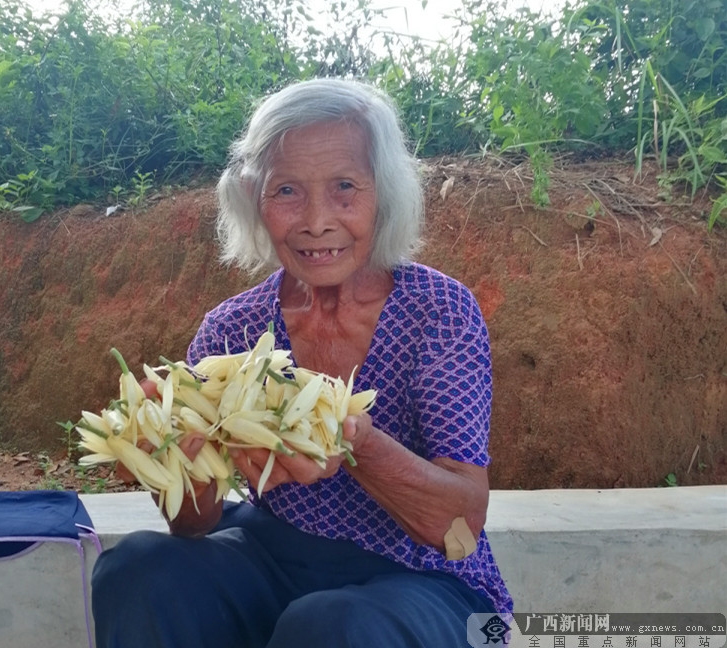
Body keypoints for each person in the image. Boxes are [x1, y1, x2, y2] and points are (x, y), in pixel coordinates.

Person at [91, 78, 513, 648]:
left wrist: (353, 444)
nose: (317, 220)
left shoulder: (438, 311)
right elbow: (195, 524)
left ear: (383, 194)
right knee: (138, 570)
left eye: (345, 187)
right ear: (253, 197)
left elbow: (459, 522)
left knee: (329, 626)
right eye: (287, 190)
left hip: (423, 578)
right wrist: (165, 461)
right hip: (277, 558)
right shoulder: (232, 328)